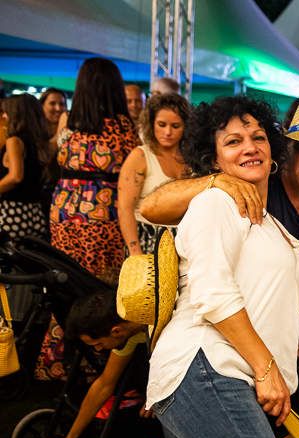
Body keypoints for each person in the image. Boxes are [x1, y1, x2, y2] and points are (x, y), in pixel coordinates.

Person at [54, 95, 299, 438]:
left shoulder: (276, 230)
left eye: (258, 137)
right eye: (233, 140)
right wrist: (266, 368)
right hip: (205, 367)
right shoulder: (215, 201)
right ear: (214, 155)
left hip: (232, 377)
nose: (250, 147)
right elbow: (212, 293)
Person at [31, 291, 199, 438]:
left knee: (165, 398)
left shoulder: (164, 322)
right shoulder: (129, 329)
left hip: (207, 359)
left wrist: (159, 390)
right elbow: (104, 384)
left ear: (115, 331)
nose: (99, 349)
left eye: (97, 344)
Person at [37, 57, 139, 381]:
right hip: (106, 213)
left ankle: (58, 361)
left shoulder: (68, 122)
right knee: (101, 289)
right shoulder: (126, 128)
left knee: (66, 283)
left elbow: (54, 159)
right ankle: (101, 365)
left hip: (65, 210)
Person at [117, 93, 190, 255]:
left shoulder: (191, 160)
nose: (168, 132)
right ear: (151, 124)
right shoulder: (140, 156)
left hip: (185, 243)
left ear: (186, 127)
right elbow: (125, 208)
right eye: (162, 124)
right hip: (147, 241)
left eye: (176, 126)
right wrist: (135, 250)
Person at [0, 93, 51, 240]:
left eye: (6, 112)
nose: (3, 117)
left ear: (15, 115)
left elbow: (15, 177)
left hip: (11, 213)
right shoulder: (40, 143)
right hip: (34, 213)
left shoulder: (14, 141)